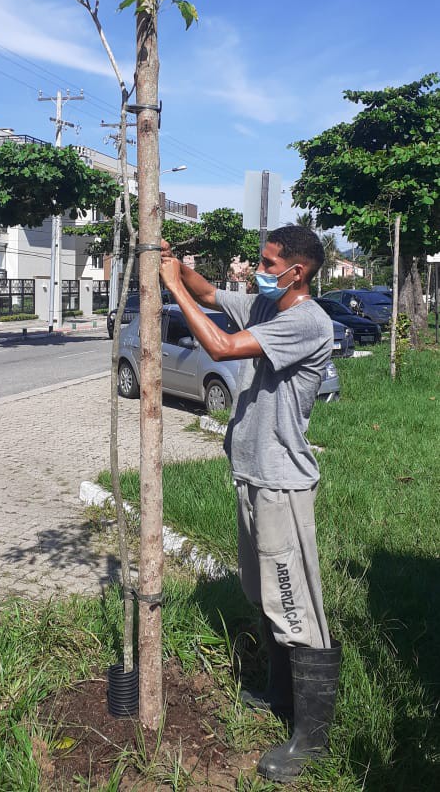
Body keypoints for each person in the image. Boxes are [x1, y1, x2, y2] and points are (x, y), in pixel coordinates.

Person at [159, 225, 341, 783]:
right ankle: (278, 692)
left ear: (297, 272)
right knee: (262, 592)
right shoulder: (266, 303)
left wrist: (174, 289)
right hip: (251, 472)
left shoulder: (307, 322)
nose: (257, 270)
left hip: (281, 483)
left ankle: (312, 741)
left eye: (267, 263)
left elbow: (220, 345)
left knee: (295, 605)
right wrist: (171, 262)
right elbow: (211, 293)